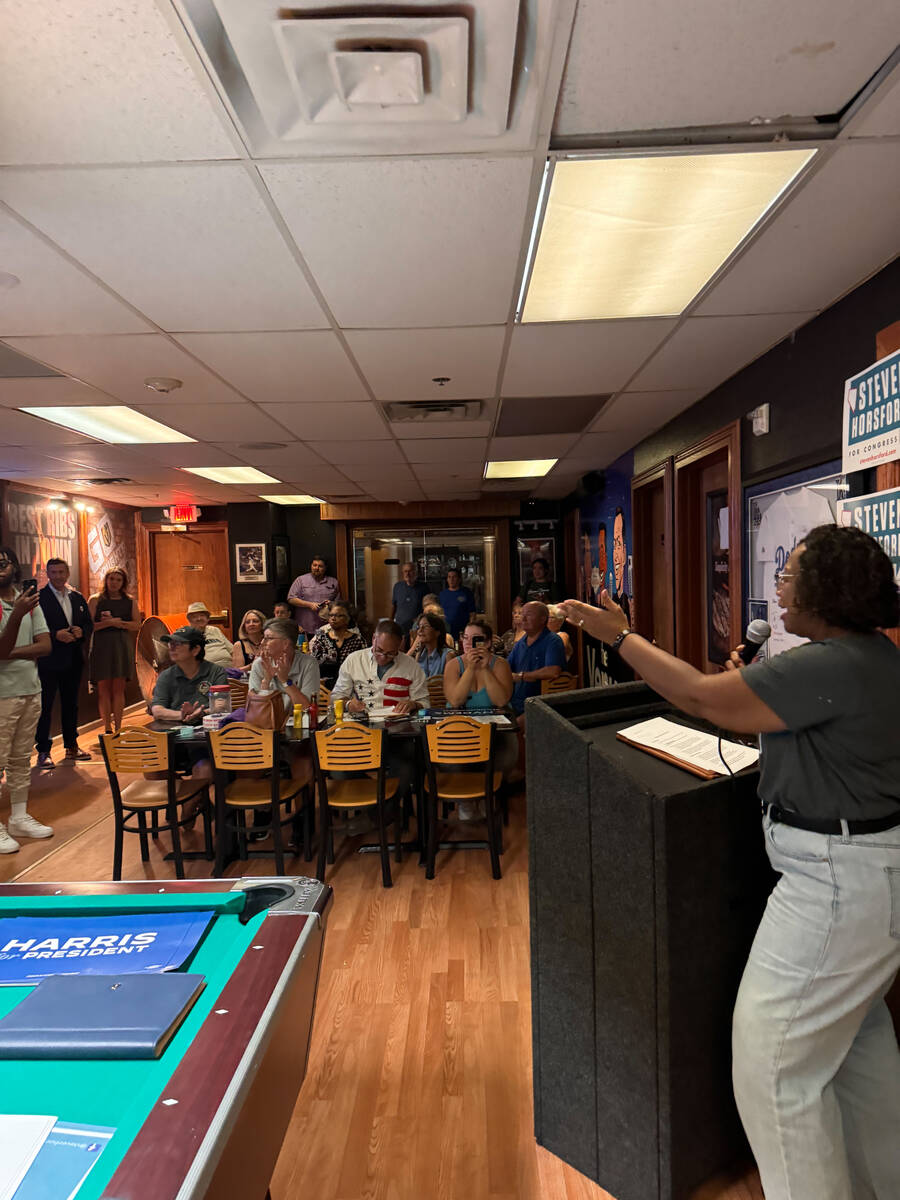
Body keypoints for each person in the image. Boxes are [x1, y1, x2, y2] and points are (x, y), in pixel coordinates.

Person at [560, 524, 900, 1200]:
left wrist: (619, 637)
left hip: (835, 885)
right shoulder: (871, 658)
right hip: (868, 878)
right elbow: (756, 718)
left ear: (827, 590)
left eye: (791, 571)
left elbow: (697, 696)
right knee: (857, 1053)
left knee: (775, 1070)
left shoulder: (830, 663)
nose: (778, 583)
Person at [0, 548, 52, 853]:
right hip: (2, 694)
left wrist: (9, 655)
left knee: (21, 758)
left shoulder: (27, 599)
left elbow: (45, 646)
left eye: (3, 562)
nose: (0, 568)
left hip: (30, 689)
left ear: (13, 566)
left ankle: (19, 817)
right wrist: (17, 615)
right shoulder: (22, 607)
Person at [442, 619, 516, 816]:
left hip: (493, 732)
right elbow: (456, 700)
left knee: (504, 753)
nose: (469, 644)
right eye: (465, 638)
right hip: (460, 731)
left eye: (476, 640)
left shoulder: (500, 665)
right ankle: (466, 800)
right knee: (455, 758)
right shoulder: (453, 665)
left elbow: (501, 701)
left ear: (489, 643)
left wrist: (483, 669)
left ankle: (487, 794)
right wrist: (470, 669)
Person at [34, 557, 93, 768]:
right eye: (53, 572)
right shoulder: (39, 599)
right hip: (48, 661)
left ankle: (72, 746)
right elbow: (31, 631)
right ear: (47, 575)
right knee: (45, 706)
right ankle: (43, 751)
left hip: (73, 659)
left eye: (61, 572)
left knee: (71, 704)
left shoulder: (77, 597)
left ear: (67, 573)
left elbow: (88, 623)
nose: (58, 576)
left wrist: (81, 632)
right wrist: (54, 635)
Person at [332, 619, 428, 716]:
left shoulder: (411, 666)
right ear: (374, 638)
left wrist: (414, 704)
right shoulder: (354, 660)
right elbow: (336, 697)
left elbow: (425, 703)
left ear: (400, 644)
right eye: (379, 650)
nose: (383, 657)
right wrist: (348, 704)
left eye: (390, 653)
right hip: (363, 722)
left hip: (399, 723)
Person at [88, 568, 140, 736]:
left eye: (118, 579)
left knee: (118, 688)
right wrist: (109, 623)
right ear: (106, 580)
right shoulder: (95, 600)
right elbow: (89, 627)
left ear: (123, 582)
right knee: (103, 688)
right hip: (102, 646)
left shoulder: (130, 601)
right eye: (111, 579)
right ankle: (107, 728)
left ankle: (118, 727)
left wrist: (120, 624)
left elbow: (136, 625)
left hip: (121, 646)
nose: (114, 582)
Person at [150, 626, 228, 726]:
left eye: (178, 643)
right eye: (170, 643)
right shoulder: (166, 676)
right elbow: (157, 710)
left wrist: (202, 713)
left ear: (195, 649)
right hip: (175, 729)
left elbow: (221, 705)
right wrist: (182, 715)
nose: (171, 647)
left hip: (211, 726)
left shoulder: (216, 671)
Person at [507, 601, 566, 725]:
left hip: (540, 707)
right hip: (514, 704)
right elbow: (507, 666)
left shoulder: (553, 641)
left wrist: (522, 676)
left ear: (542, 619)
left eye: (528, 614)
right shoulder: (522, 641)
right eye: (522, 614)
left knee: (510, 731)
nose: (523, 618)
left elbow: (553, 671)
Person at [248, 618, 320, 715]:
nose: (262, 643)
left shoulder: (308, 664)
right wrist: (266, 681)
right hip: (267, 725)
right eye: (263, 638)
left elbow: (307, 709)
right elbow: (255, 710)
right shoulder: (259, 664)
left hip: (299, 725)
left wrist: (285, 680)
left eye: (268, 638)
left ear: (286, 643)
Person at [309, 601, 365, 690]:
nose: (333, 618)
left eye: (339, 615)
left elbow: (362, 669)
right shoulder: (321, 640)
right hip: (324, 688)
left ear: (348, 618)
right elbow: (313, 666)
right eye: (331, 615)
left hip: (350, 688)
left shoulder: (357, 641)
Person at [287, 557, 340, 638]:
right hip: (305, 627)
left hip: (325, 627)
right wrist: (309, 604)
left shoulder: (333, 582)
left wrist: (331, 604)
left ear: (325, 568)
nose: (316, 568)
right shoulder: (301, 580)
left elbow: (339, 603)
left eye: (320, 566)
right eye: (314, 565)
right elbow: (291, 599)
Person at [185, 602, 233, 668]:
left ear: (207, 618)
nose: (199, 618)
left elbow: (232, 650)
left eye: (202, 615)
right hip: (208, 671)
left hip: (229, 666)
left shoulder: (215, 630)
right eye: (195, 616)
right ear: (190, 620)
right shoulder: (186, 635)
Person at [409, 612, 453, 677]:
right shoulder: (420, 654)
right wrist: (416, 651)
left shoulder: (448, 655)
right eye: (419, 627)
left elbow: (450, 683)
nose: (420, 630)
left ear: (437, 632)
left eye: (426, 626)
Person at [391, 562, 428, 637]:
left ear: (416, 573)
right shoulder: (397, 587)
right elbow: (394, 606)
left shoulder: (424, 587)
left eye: (410, 571)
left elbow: (427, 607)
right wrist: (391, 622)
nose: (407, 574)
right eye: (405, 571)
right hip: (400, 628)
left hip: (417, 629)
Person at [438, 569, 476, 642]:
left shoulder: (466, 593)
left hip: (463, 630)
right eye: (449, 577)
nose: (451, 579)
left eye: (454, 577)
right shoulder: (442, 594)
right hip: (447, 631)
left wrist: (470, 629)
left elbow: (472, 613)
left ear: (459, 579)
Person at [231, 609, 266, 673]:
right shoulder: (239, 645)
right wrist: (253, 665)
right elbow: (236, 672)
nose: (251, 624)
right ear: (244, 627)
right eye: (247, 622)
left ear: (262, 624)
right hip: (245, 681)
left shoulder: (269, 642)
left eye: (255, 621)